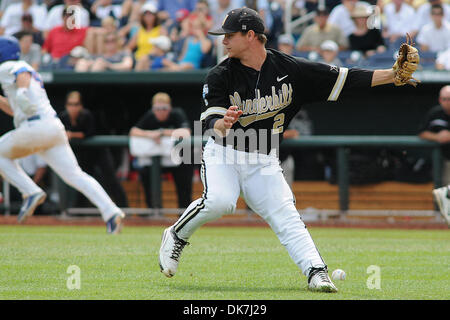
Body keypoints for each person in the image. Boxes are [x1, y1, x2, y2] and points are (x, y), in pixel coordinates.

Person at [157, 7, 413, 293]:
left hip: (263, 156)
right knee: (220, 201)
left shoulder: (292, 69)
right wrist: (222, 124)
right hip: (223, 152)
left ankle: (316, 271)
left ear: (251, 35)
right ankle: (176, 234)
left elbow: (347, 77)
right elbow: (210, 123)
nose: (224, 41)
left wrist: (392, 74)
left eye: (230, 35)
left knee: (285, 214)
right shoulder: (221, 74)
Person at [0, 36, 125, 234]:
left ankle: (30, 190)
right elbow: (15, 109)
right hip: (51, 128)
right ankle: (111, 212)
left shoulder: (10, 66)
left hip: (35, 127)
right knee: (75, 175)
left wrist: (22, 93)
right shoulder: (18, 72)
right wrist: (17, 96)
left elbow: (21, 72)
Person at [59, 91, 129, 209]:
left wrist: (72, 134)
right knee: (82, 180)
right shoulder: (63, 117)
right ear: (66, 105)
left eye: (76, 104)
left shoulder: (87, 115)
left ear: (81, 106)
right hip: (83, 154)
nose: (73, 108)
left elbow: (89, 133)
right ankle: (79, 210)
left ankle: (124, 207)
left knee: (110, 179)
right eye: (70, 104)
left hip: (98, 151)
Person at [129, 92, 193, 210]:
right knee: (146, 174)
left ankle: (184, 214)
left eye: (164, 108)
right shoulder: (150, 116)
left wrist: (162, 133)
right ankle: (153, 212)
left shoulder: (177, 114)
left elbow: (186, 132)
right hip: (157, 159)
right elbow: (133, 131)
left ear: (170, 108)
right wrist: (150, 134)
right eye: (157, 109)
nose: (161, 112)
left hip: (179, 157)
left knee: (184, 181)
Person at [418, 85, 450, 226]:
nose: (448, 102)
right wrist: (437, 136)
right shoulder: (435, 113)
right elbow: (422, 132)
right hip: (444, 159)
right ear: (440, 100)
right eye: (445, 99)